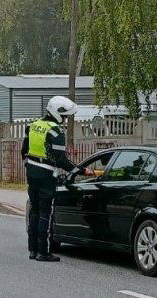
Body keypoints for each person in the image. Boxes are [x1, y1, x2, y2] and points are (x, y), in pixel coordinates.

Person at [22, 96, 89, 262]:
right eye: (65, 116)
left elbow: (24, 151)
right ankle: (43, 252)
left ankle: (32, 250)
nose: (65, 120)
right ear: (58, 113)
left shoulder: (33, 125)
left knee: (35, 211)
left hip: (31, 173)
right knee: (45, 213)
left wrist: (30, 166)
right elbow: (61, 160)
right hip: (46, 175)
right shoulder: (55, 132)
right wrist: (81, 170)